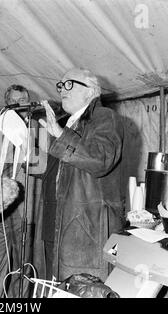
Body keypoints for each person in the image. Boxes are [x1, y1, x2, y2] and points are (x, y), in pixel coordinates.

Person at [39, 67, 125, 282]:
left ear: (90, 91)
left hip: (86, 225)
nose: (62, 90)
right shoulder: (67, 123)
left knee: (82, 288)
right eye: (60, 85)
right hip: (59, 221)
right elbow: (59, 175)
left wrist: (60, 135)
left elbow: (100, 160)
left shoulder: (105, 117)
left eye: (69, 84)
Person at [0, 84, 37, 298]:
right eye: (13, 101)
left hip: (23, 204)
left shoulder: (33, 128)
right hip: (2, 202)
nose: (18, 105)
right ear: (6, 103)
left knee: (22, 260)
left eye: (21, 101)